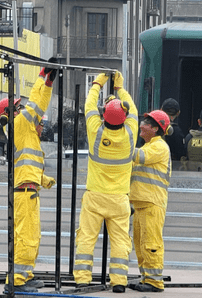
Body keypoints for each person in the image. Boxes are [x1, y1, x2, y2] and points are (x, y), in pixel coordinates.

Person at [0, 58, 57, 293]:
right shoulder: (19, 124)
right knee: (27, 236)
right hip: (25, 191)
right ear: (10, 113)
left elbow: (26, 163)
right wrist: (44, 78)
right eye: (18, 107)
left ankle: (23, 276)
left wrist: (43, 180)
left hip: (27, 189)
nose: (23, 109)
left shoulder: (22, 132)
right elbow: (36, 104)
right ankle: (18, 280)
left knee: (28, 235)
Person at [74, 71, 137, 294]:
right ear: (124, 118)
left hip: (95, 196)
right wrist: (119, 88)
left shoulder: (95, 131)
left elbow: (89, 105)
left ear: (104, 117)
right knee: (121, 241)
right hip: (120, 198)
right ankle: (119, 282)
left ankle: (82, 279)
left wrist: (97, 83)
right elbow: (133, 110)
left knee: (86, 238)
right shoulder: (130, 133)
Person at [129, 110, 172, 293]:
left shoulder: (159, 146)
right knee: (140, 244)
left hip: (152, 204)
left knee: (151, 244)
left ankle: (154, 281)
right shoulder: (148, 146)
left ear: (155, 129)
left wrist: (119, 143)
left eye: (145, 122)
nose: (141, 125)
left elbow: (139, 157)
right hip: (140, 204)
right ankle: (146, 277)